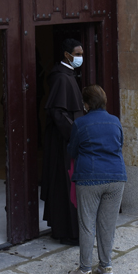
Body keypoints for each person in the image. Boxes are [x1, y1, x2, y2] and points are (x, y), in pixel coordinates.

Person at [65, 84, 127, 274]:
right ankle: (106, 266)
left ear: (86, 104)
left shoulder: (80, 123)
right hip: (116, 176)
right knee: (107, 224)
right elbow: (120, 144)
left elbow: (72, 150)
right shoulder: (115, 121)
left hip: (89, 177)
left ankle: (85, 270)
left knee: (87, 224)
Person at [40, 38, 85, 245]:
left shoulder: (69, 74)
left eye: (81, 54)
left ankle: (72, 230)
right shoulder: (60, 77)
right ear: (67, 55)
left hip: (69, 140)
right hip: (63, 143)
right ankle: (66, 231)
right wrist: (75, 134)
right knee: (64, 185)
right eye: (77, 54)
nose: (80, 57)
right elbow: (58, 113)